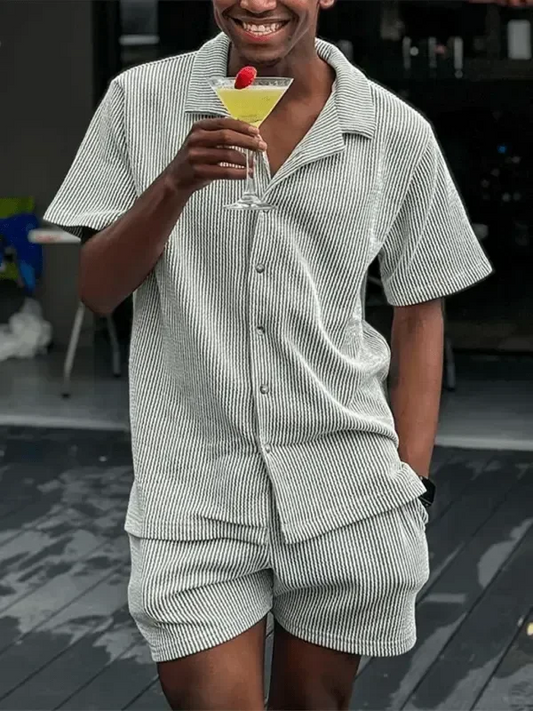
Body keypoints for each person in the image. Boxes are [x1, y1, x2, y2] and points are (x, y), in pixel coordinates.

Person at [44, 1, 493, 708]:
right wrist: (174, 184)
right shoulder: (140, 101)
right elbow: (97, 291)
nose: (255, 2)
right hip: (194, 494)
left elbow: (419, 309)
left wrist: (412, 482)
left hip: (345, 490)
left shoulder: (392, 130)